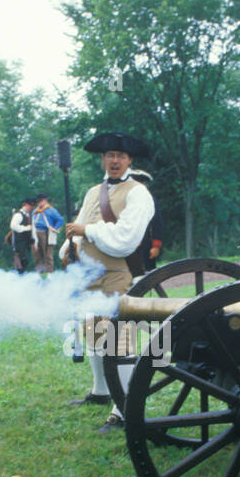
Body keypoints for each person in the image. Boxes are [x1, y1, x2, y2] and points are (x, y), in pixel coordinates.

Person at [64, 132, 154, 434]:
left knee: (119, 338)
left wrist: (86, 230)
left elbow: (126, 240)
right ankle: (101, 391)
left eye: (120, 156)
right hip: (89, 271)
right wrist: (70, 247)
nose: (114, 160)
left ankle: (125, 408)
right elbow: (78, 227)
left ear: (130, 160)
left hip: (119, 272)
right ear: (103, 159)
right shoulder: (93, 192)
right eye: (109, 155)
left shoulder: (138, 192)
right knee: (92, 330)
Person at [128, 169, 163, 277]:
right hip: (127, 243)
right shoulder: (125, 199)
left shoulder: (151, 201)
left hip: (145, 245)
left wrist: (156, 246)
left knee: (147, 276)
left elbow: (157, 223)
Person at [32, 195, 64, 274]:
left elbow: (60, 220)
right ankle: (41, 276)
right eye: (38, 201)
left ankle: (49, 275)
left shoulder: (51, 210)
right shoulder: (35, 211)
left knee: (47, 256)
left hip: (45, 233)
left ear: (45, 200)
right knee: (37, 257)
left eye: (40, 200)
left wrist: (55, 228)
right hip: (35, 234)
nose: (39, 202)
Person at [5, 198, 35, 274]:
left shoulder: (29, 215)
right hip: (19, 243)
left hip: (26, 242)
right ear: (25, 204)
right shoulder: (18, 215)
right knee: (21, 262)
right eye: (30, 205)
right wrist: (26, 228)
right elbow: (13, 226)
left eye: (32, 205)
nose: (31, 207)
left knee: (25, 262)